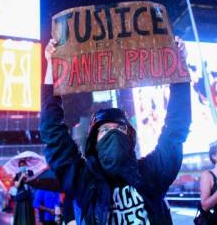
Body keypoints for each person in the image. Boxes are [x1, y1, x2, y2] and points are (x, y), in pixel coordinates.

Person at [40, 37, 191, 224]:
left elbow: (176, 127)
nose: (113, 133)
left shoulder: (151, 172)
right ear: (94, 143)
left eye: (120, 128)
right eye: (104, 130)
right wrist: (51, 67)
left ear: (130, 138)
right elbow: (52, 131)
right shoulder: (85, 181)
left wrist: (180, 65)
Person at [13, 159, 35, 225]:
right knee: (20, 215)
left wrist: (27, 176)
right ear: (19, 167)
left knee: (29, 214)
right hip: (20, 198)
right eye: (20, 166)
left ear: (26, 165)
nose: (22, 167)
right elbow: (16, 186)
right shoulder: (17, 175)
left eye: (23, 165)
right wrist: (21, 177)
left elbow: (33, 182)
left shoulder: (30, 172)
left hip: (28, 197)